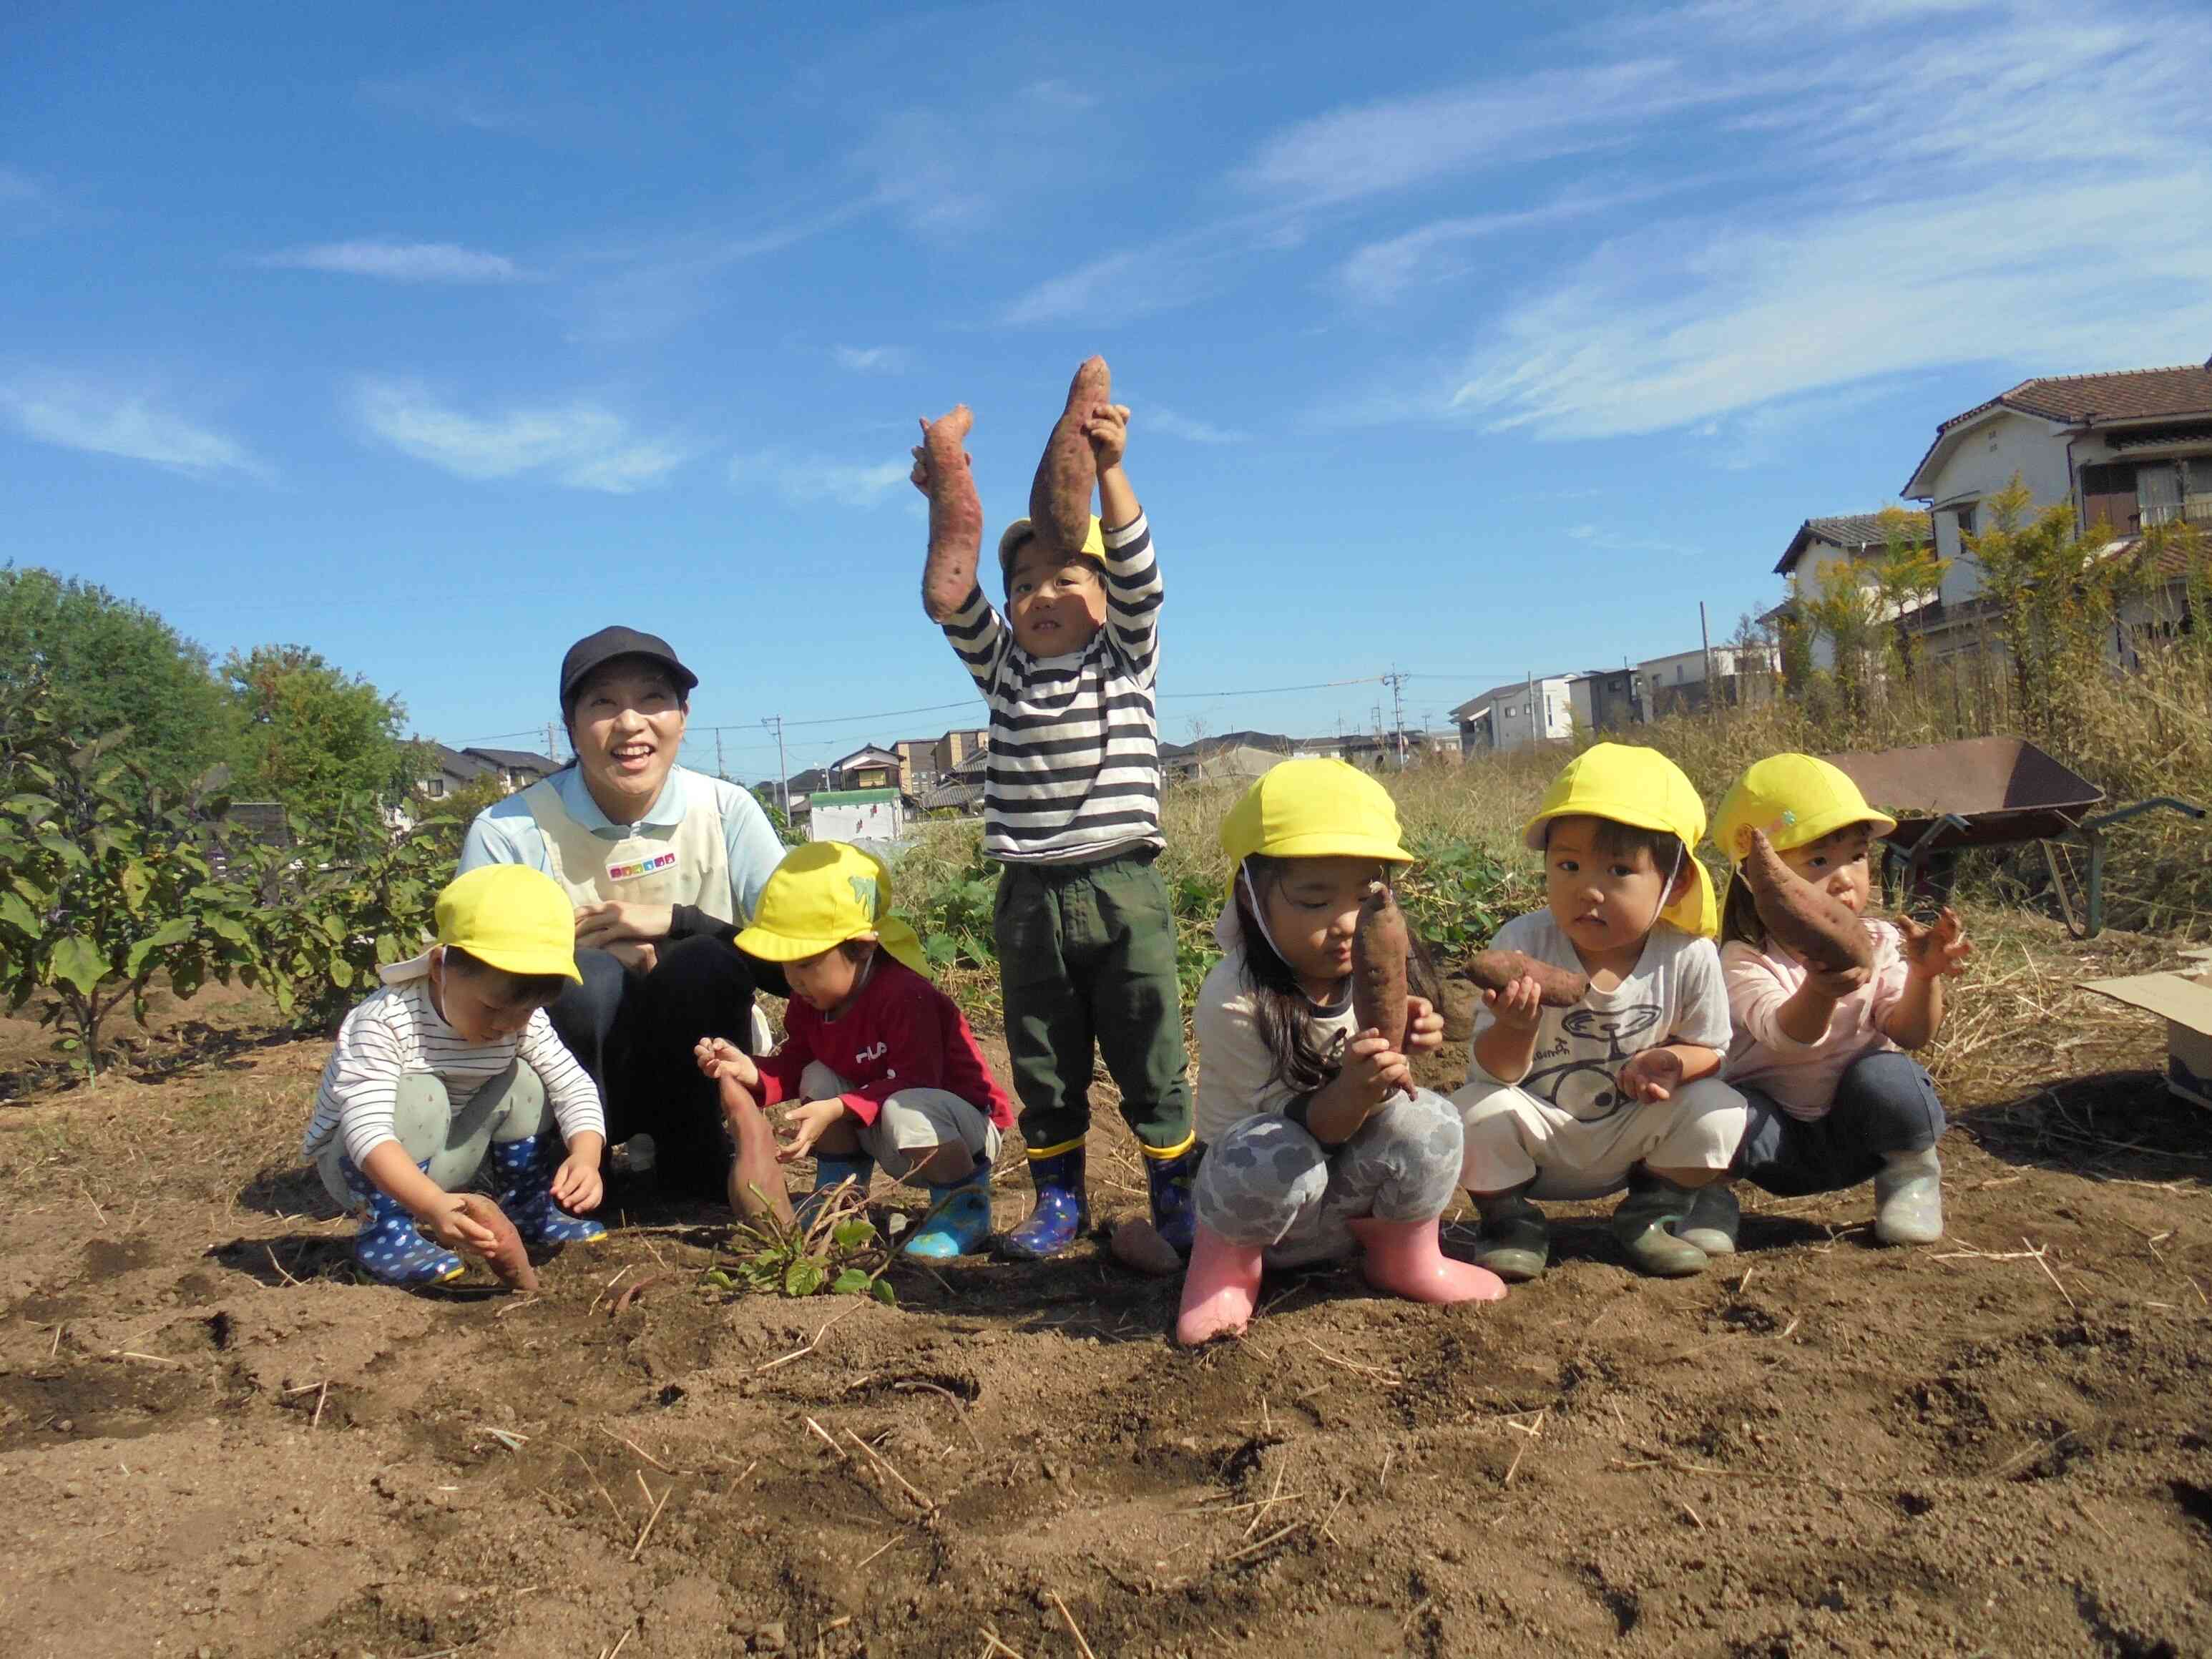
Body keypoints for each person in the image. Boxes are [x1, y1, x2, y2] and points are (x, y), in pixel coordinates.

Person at [909, 389, 1195, 1261]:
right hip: (1029, 895)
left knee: (1150, 1049)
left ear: (1106, 599)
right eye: (1024, 583)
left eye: (1066, 577)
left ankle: (1176, 1195)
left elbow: (1143, 571)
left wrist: (1108, 468)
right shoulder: (1004, 676)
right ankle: (1058, 1200)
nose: (1040, 594)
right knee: (1042, 1059)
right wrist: (947, 495)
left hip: (1121, 887)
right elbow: (951, 595)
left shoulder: (1125, 660)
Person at [1176, 760, 1504, 1344]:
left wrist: (1409, 1041)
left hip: (1347, 1210)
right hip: (1257, 1211)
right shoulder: (1234, 997)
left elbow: (1385, 1104)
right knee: (1270, 1152)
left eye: (1364, 895)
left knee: (1434, 1118)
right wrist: (1353, 1089)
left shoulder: (1377, 966)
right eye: (1313, 901)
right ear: (1252, 900)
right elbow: (1294, 1132)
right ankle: (1223, 1274)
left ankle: (1405, 1254)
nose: (1347, 923)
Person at [458, 626, 789, 1200]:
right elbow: (469, 986)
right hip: (566, 1071)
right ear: (571, 726)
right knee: (591, 979)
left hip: (703, 1062)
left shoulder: (727, 810)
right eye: (604, 703)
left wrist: (677, 922)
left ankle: (698, 1162)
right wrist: (575, 956)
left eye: (653, 699)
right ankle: (575, 1174)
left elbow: (796, 961)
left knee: (702, 963)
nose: (631, 723)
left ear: (684, 717)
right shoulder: (509, 830)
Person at [1456, 743, 1748, 1280]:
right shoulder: (1522, 941)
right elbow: (1491, 1073)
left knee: (1721, 1108)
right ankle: (1509, 1221)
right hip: (1540, 1132)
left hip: (1633, 1137)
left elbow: (1712, 1049)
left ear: (1675, 882)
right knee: (1470, 1112)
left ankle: (1651, 1215)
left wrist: (1674, 1062)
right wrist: (1515, 1030)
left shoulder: (1687, 953)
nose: (1587, 890)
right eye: (1568, 865)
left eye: (1618, 870)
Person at [1679, 753, 1968, 1253]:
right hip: (1774, 1143)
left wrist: (1924, 976)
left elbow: (1912, 1032)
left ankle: (1911, 1176)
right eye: (1818, 861)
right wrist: (1824, 985)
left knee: (1889, 1076)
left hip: (1857, 1131)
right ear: (1758, 878)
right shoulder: (1743, 958)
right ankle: (1709, 1199)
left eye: (1856, 855)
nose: (1844, 878)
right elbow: (1787, 1034)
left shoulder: (1880, 941)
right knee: (1714, 1107)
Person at [693, 842, 1010, 1258]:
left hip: (961, 1130)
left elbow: (918, 1080)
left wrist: (838, 1108)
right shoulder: (809, 1004)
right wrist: (751, 1071)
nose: (794, 979)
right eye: (786, 965)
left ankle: (962, 1207)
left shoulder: (904, 995)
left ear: (861, 948)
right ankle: (840, 1199)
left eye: (805, 964)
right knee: (818, 1076)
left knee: (904, 1108)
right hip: (882, 1116)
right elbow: (797, 1063)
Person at [302, 865, 606, 1286]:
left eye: (526, 1011)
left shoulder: (521, 1023)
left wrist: (586, 1156)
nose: (509, 1025)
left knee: (526, 1080)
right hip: (365, 1167)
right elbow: (365, 1131)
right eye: (493, 1008)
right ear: (438, 967)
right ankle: (385, 1232)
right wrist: (430, 1206)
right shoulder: (385, 1022)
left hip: (446, 1154)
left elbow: (572, 1084)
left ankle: (528, 1209)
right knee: (420, 1092)